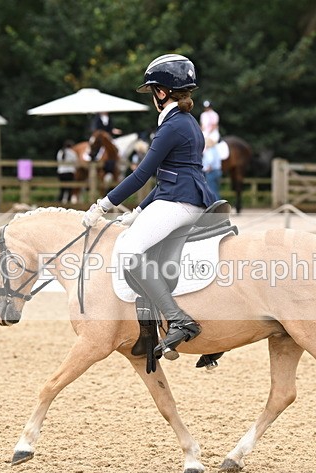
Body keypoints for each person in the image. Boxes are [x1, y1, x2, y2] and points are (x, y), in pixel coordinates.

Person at [81, 53, 215, 357]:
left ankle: (179, 319)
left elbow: (142, 174)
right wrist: (139, 211)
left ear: (161, 92)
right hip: (187, 197)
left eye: (153, 90)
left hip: (179, 202)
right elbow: (170, 175)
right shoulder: (187, 122)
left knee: (128, 251)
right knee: (138, 243)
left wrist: (103, 204)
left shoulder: (171, 126)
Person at [57, 139, 79, 204]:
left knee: (62, 189)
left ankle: (59, 203)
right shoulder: (72, 153)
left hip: (61, 172)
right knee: (69, 189)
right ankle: (68, 204)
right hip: (69, 172)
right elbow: (76, 163)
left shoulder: (60, 152)